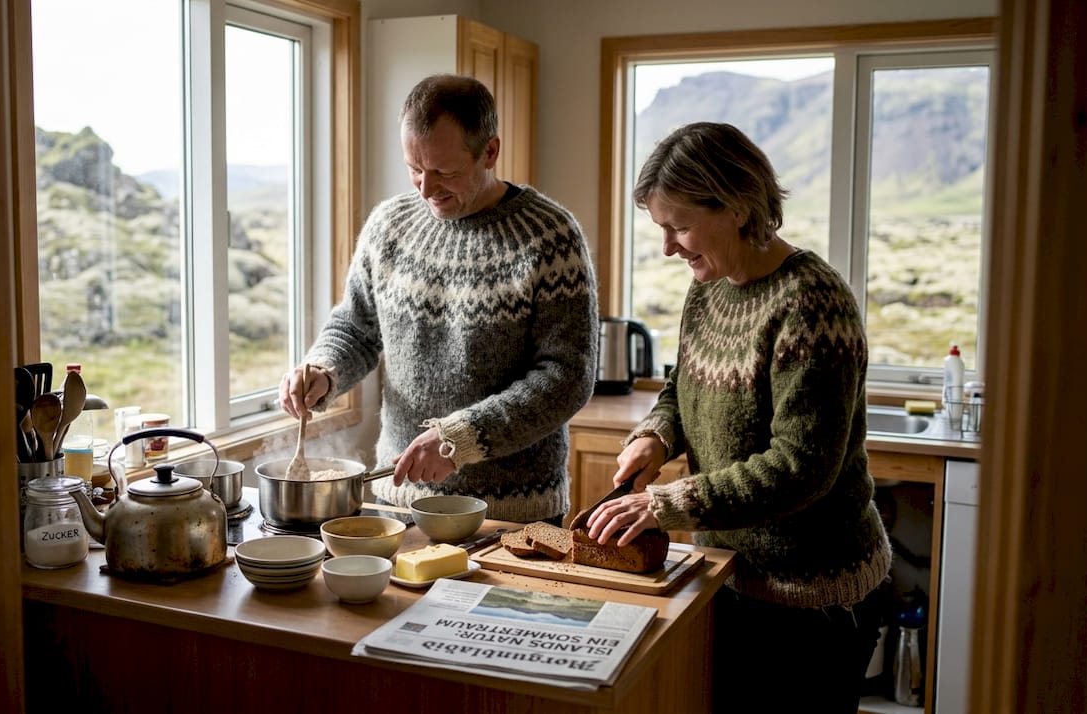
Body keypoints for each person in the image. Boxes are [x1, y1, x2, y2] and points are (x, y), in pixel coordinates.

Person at [579, 122, 890, 713]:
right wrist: (655, 436)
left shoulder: (812, 303)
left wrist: (664, 505)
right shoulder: (709, 289)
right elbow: (682, 386)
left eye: (680, 226)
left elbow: (800, 467)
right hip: (726, 574)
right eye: (661, 229)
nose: (669, 246)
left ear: (740, 208)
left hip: (814, 599)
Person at [279, 74, 597, 524]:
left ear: (490, 151)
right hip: (397, 500)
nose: (426, 189)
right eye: (414, 169)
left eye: (444, 172)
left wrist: (461, 438)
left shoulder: (550, 238)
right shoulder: (388, 226)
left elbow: (567, 377)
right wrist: (325, 370)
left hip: (511, 514)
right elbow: (356, 327)